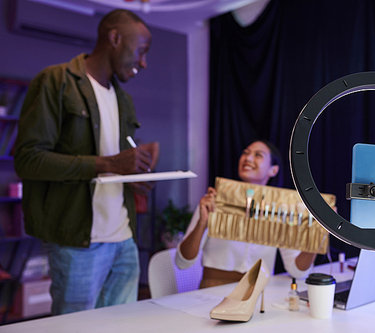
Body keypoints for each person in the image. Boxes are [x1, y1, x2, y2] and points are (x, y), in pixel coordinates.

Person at [14, 9, 159, 315]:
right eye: (141, 52)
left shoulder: (124, 100)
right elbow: (28, 160)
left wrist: (137, 175)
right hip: (77, 243)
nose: (144, 63)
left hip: (124, 239)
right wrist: (107, 164)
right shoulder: (55, 81)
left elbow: (120, 163)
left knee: (121, 326)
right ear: (115, 38)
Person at [176, 140, 316, 288]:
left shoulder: (280, 211)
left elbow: (298, 272)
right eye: (245, 153)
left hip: (260, 295)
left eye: (258, 155)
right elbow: (182, 262)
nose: (248, 158)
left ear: (273, 170)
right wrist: (202, 223)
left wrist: (316, 237)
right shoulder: (213, 201)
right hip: (213, 291)